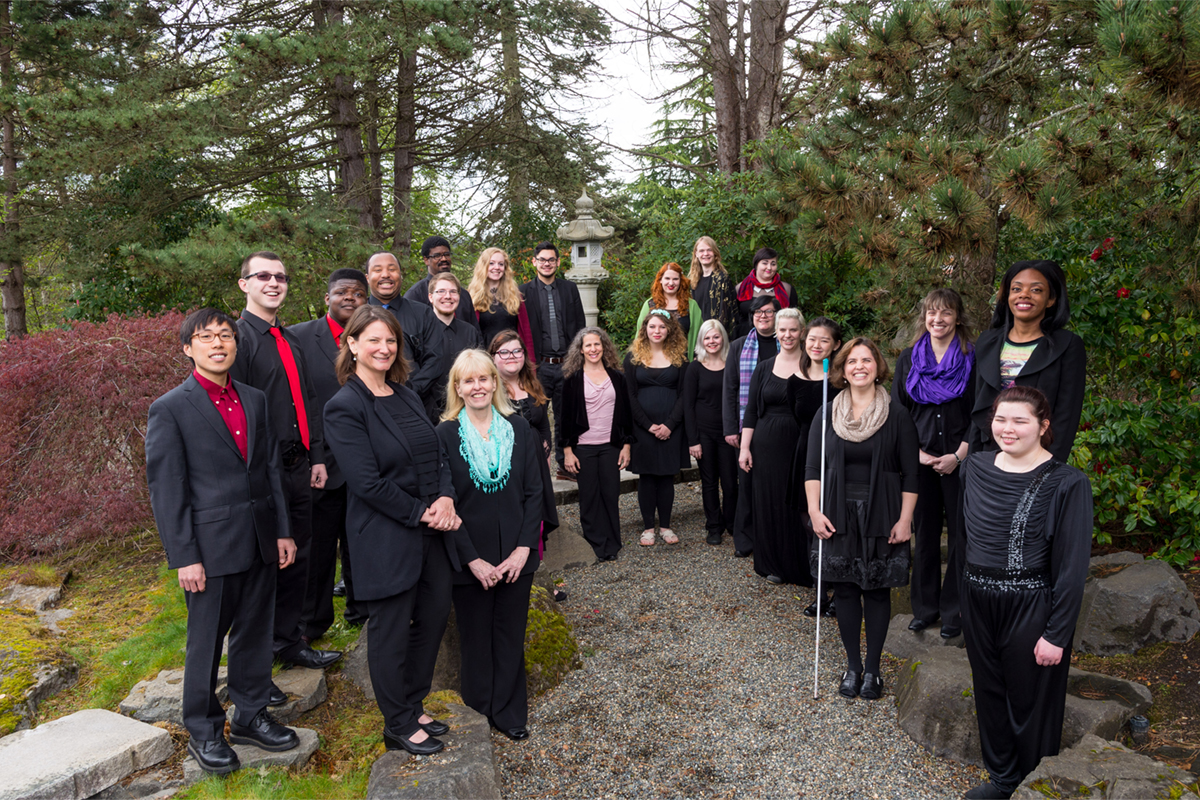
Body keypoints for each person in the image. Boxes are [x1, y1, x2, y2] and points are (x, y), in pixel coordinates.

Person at [146, 308, 300, 775]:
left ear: (236, 344)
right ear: (188, 348)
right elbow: (167, 488)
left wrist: (283, 530)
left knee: (255, 632)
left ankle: (251, 714)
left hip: (260, 539)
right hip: (209, 551)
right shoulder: (170, 407)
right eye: (206, 337)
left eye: (226, 335)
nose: (218, 343)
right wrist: (184, 556)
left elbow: (271, 469)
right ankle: (205, 730)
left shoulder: (253, 399)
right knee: (205, 642)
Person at [323, 305, 462, 756]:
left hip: (432, 530)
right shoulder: (344, 406)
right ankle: (397, 722)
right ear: (353, 344)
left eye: (391, 341)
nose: (384, 348)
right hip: (386, 536)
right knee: (392, 630)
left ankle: (414, 702)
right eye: (374, 340)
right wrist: (425, 512)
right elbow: (367, 483)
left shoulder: (404, 394)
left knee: (434, 614)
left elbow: (436, 453)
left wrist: (445, 498)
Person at [960, 386, 1093, 800]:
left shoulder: (1068, 482)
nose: (1008, 429)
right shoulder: (975, 467)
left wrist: (1057, 634)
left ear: (1043, 426)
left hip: (1031, 603)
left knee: (1031, 700)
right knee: (990, 693)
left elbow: (1072, 568)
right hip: (977, 599)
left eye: (1020, 421)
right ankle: (1001, 779)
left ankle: (1032, 783)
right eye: (1001, 419)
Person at [228, 252, 342, 673]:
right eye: (263, 276)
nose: (273, 283)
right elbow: (237, 413)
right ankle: (257, 655)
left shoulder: (289, 338)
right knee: (268, 564)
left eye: (280, 277)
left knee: (302, 558)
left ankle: (289, 640)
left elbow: (308, 402)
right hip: (264, 473)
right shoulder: (239, 341)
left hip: (301, 468)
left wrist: (317, 457)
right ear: (245, 284)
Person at [438, 350, 547, 742]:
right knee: (475, 640)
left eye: (484, 378)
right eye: (468, 381)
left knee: (509, 635)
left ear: (495, 382)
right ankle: (478, 714)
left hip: (517, 555)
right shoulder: (445, 436)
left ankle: (510, 711)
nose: (478, 387)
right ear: (458, 388)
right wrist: (472, 559)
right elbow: (445, 503)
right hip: (470, 560)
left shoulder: (519, 429)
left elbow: (535, 493)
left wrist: (523, 549)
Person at [806, 337, 918, 701]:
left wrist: (905, 520)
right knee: (847, 589)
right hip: (837, 512)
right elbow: (812, 469)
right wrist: (814, 511)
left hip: (881, 512)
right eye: (852, 361)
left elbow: (911, 474)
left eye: (866, 360)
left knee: (877, 591)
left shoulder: (896, 414)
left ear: (877, 366)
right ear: (841, 369)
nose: (859, 366)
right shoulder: (826, 414)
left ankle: (873, 670)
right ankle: (852, 666)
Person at [892, 289, 976, 640]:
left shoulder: (973, 356)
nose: (937, 319)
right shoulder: (910, 358)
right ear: (924, 317)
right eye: (931, 313)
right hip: (921, 460)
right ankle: (924, 610)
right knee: (924, 536)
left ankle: (953, 611)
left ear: (958, 317)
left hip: (963, 460)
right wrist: (919, 455)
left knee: (961, 538)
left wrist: (959, 454)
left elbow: (982, 410)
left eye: (946, 313)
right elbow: (899, 412)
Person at [291, 269, 371, 637]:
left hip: (367, 461)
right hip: (319, 461)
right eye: (342, 292)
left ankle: (363, 610)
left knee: (361, 540)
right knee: (320, 548)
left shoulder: (375, 336)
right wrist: (312, 454)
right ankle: (312, 624)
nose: (350, 298)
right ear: (327, 298)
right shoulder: (298, 338)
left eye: (358, 293)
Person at [971, 259, 1086, 463]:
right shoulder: (986, 342)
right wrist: (972, 466)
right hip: (988, 456)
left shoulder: (1068, 346)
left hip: (1037, 458)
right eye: (1016, 288)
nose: (1024, 294)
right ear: (1008, 296)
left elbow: (1067, 415)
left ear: (1051, 300)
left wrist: (1049, 468)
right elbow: (978, 408)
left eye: (1036, 290)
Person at [739, 308, 810, 584]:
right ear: (776, 333)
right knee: (769, 502)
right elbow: (751, 411)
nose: (788, 335)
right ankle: (774, 565)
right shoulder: (764, 367)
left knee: (799, 503)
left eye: (793, 330)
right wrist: (745, 448)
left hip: (801, 444)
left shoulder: (813, 365)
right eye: (783, 330)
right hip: (766, 445)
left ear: (801, 332)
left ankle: (804, 566)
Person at [561, 327, 633, 561]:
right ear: (581, 350)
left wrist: (626, 445)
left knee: (610, 495)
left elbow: (626, 415)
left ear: (604, 347)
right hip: (584, 448)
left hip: (611, 445)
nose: (593, 349)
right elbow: (564, 419)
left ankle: (612, 543)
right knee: (590, 497)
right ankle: (596, 544)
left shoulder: (617, 377)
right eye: (588, 345)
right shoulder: (572, 380)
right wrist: (568, 451)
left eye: (597, 344)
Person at [790, 316, 844, 618]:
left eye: (824, 340)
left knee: (833, 523)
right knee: (810, 527)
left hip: (835, 458)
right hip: (805, 456)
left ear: (835, 345)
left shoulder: (840, 381)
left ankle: (839, 592)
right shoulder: (795, 380)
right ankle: (819, 592)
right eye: (812, 339)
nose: (816, 345)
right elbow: (797, 419)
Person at [490, 329, 560, 556]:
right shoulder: (488, 390)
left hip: (536, 463)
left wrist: (546, 455)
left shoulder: (533, 385)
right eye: (504, 352)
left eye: (517, 351)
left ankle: (537, 570)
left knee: (536, 514)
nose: (511, 356)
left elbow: (542, 425)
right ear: (493, 357)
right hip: (505, 468)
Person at [624, 310, 690, 546]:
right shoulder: (632, 357)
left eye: (662, 327)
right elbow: (629, 395)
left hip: (672, 428)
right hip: (643, 428)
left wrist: (670, 425)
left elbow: (685, 395)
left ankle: (666, 526)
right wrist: (648, 425)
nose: (657, 331)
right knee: (647, 477)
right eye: (653, 327)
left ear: (669, 330)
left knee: (665, 478)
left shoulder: (680, 358)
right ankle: (647, 528)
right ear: (645, 329)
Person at [521, 242, 586, 480]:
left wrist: (579, 360)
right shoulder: (523, 292)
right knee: (534, 417)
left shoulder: (570, 289)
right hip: (538, 366)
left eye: (551, 260)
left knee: (565, 416)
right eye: (542, 259)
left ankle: (565, 466)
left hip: (566, 363)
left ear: (558, 262)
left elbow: (580, 325)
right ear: (534, 262)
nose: (546, 263)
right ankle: (532, 469)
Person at [722, 295, 780, 558]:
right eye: (758, 313)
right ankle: (745, 541)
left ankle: (772, 537)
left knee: (773, 484)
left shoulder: (788, 344)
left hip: (777, 424)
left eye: (768, 312)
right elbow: (730, 389)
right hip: (746, 425)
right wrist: (731, 427)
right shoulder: (738, 346)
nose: (763, 316)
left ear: (777, 314)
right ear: (752, 316)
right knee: (745, 484)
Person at [365, 250, 447, 420]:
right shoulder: (357, 316)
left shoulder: (422, 313)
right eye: (378, 270)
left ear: (400, 276)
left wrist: (410, 391)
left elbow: (436, 359)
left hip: (417, 406)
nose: (386, 275)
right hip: (366, 406)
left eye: (392, 269)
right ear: (367, 277)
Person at [684, 319, 736, 546]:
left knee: (730, 482)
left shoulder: (732, 364)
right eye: (707, 337)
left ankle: (732, 522)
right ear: (701, 341)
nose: (712, 341)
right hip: (704, 434)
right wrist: (693, 440)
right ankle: (713, 526)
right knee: (709, 482)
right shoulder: (694, 368)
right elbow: (688, 406)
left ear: (723, 337)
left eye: (715, 336)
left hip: (729, 433)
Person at [428, 271, 485, 418]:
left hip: (467, 411)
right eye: (441, 291)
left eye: (453, 292)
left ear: (459, 297)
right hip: (430, 412)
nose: (448, 296)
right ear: (430, 297)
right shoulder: (422, 333)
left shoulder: (470, 332)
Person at [468, 247, 536, 361]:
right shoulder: (472, 298)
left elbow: (526, 333)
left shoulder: (515, 296)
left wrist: (530, 363)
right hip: (485, 360)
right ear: (483, 266)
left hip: (512, 358)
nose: (497, 267)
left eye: (501, 264)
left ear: (505, 268)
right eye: (491, 263)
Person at [404, 235, 479, 327]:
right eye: (437, 256)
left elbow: (475, 332)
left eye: (446, 254)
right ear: (426, 260)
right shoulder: (415, 295)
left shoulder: (463, 295)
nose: (444, 259)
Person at [635, 262, 704, 359]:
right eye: (667, 278)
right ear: (660, 280)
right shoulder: (649, 305)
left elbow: (700, 336)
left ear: (680, 281)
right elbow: (640, 336)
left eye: (675, 279)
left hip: (684, 363)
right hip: (655, 362)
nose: (671, 283)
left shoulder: (692, 306)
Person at [734, 247, 799, 337]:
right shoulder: (740, 288)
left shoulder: (787, 289)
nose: (769, 267)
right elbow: (734, 318)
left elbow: (794, 320)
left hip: (777, 340)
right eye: (765, 263)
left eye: (773, 264)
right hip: (745, 339)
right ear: (756, 264)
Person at [688, 236, 738, 334]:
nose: (705, 254)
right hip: (698, 334)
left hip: (716, 335)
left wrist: (717, 334)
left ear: (715, 253)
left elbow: (726, 313)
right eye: (701, 251)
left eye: (709, 250)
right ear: (696, 254)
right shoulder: (694, 281)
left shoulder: (722, 278)